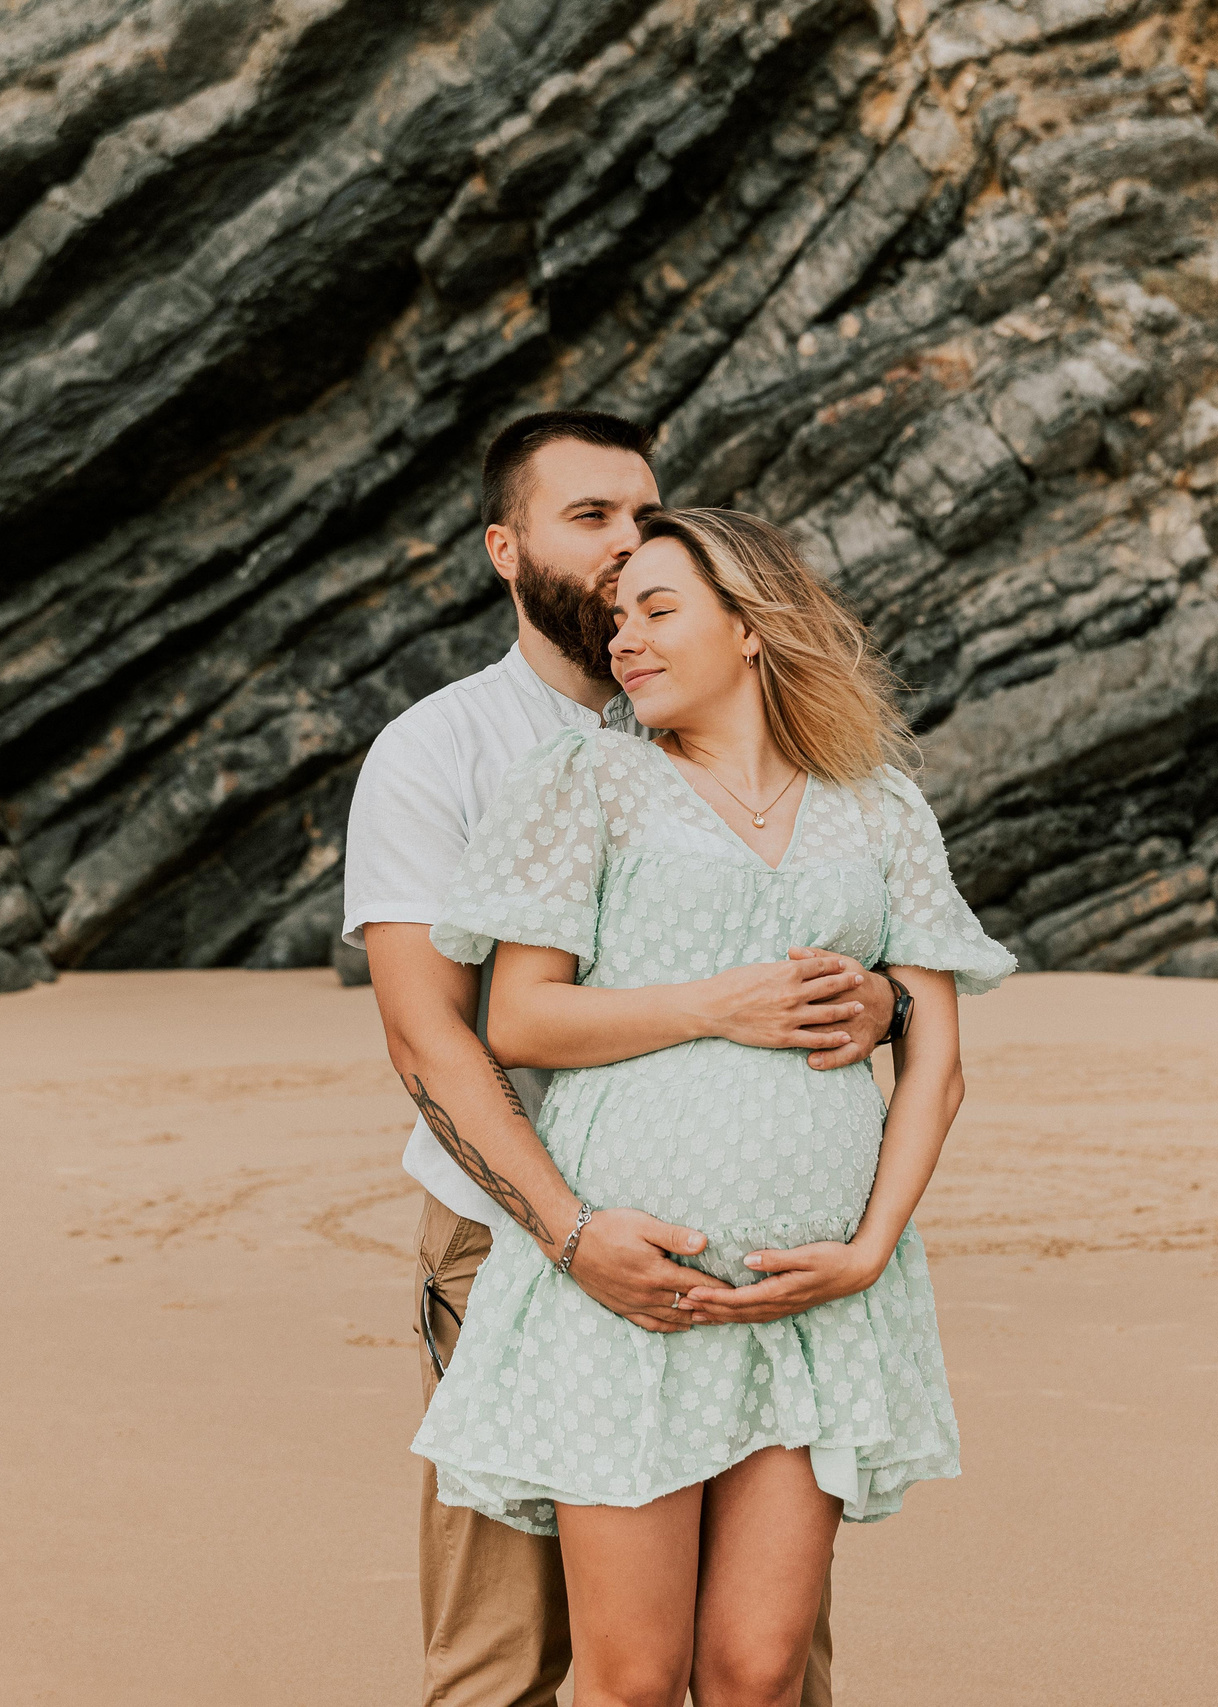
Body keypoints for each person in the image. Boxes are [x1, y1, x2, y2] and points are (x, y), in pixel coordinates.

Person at [343, 413, 903, 1707]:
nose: (622, 546)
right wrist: (567, 1226)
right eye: (587, 516)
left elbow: (855, 940)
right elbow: (429, 1029)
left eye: (642, 517)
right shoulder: (444, 750)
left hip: (757, 1262)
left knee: (768, 1657)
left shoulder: (750, 744)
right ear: (504, 545)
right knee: (513, 1647)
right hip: (518, 1236)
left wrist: (876, 1000)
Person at [412, 507, 1014, 1707]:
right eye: (616, 616)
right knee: (631, 1680)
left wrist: (868, 1254)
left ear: (750, 626)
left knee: (755, 1668)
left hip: (808, 1307)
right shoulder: (590, 780)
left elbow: (934, 1060)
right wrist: (714, 1006)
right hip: (629, 1306)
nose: (623, 638)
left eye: (657, 610)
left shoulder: (877, 804)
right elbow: (519, 1019)